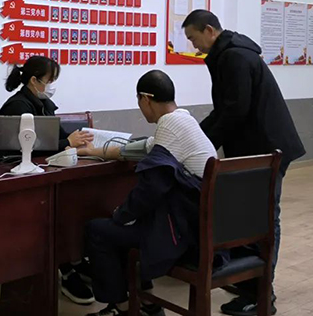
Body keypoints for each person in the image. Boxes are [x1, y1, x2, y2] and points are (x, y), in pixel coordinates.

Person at [182, 10, 306, 316]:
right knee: (246, 215)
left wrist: (201, 143)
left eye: (194, 39)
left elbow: (235, 111)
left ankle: (262, 295)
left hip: (267, 150)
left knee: (263, 219)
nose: (194, 46)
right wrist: (197, 137)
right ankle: (247, 280)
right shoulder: (230, 53)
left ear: (209, 30)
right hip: (257, 149)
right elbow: (226, 109)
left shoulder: (234, 57)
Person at [82, 70, 217, 316]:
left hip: (186, 235)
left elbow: (152, 188)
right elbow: (145, 147)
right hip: (203, 228)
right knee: (125, 226)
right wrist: (95, 151)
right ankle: (147, 303)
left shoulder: (169, 124)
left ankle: (122, 307)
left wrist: (120, 214)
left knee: (99, 230)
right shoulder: (184, 119)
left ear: (145, 99)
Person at [0, 55, 95, 305]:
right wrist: (66, 143)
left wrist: (76, 142)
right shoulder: (18, 107)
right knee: (57, 208)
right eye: (49, 81)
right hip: (19, 180)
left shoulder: (44, 104)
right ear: (34, 80)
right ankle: (65, 268)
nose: (51, 86)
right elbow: (27, 147)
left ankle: (74, 258)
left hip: (46, 174)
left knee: (78, 201)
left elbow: (57, 138)